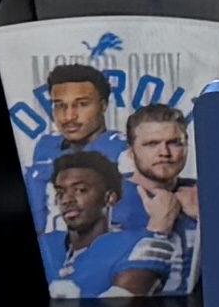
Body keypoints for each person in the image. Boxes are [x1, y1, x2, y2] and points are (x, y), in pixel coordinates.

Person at [21, 63, 144, 241]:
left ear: (103, 106)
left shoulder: (124, 151)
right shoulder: (46, 147)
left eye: (81, 104)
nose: (69, 116)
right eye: (60, 105)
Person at [111, 101, 203, 307]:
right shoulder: (106, 196)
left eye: (175, 143)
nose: (164, 152)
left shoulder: (206, 194)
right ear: (131, 152)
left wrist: (203, 218)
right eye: (152, 144)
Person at [38, 148, 137, 306]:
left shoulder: (133, 247)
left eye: (80, 190)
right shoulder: (45, 244)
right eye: (60, 193)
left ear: (109, 197)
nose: (67, 200)